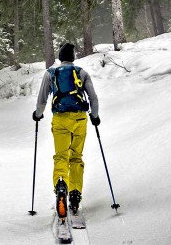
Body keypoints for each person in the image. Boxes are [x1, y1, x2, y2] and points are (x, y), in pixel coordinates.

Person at [32, 42, 100, 219]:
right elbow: (93, 98)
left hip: (60, 119)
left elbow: (42, 100)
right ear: (73, 57)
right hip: (79, 119)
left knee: (61, 155)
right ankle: (75, 192)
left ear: (60, 57)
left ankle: (61, 184)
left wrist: (38, 114)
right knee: (76, 156)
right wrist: (95, 116)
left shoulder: (51, 73)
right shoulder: (82, 73)